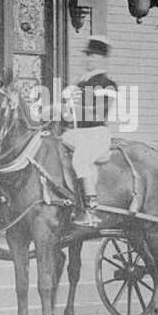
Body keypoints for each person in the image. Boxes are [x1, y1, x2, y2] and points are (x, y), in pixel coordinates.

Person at [61, 36, 117, 228]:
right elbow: (69, 112)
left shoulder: (107, 84)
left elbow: (100, 112)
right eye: (87, 56)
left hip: (95, 134)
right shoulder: (80, 83)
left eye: (92, 56)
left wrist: (74, 109)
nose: (88, 60)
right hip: (76, 133)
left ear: (102, 59)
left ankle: (91, 208)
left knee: (80, 159)